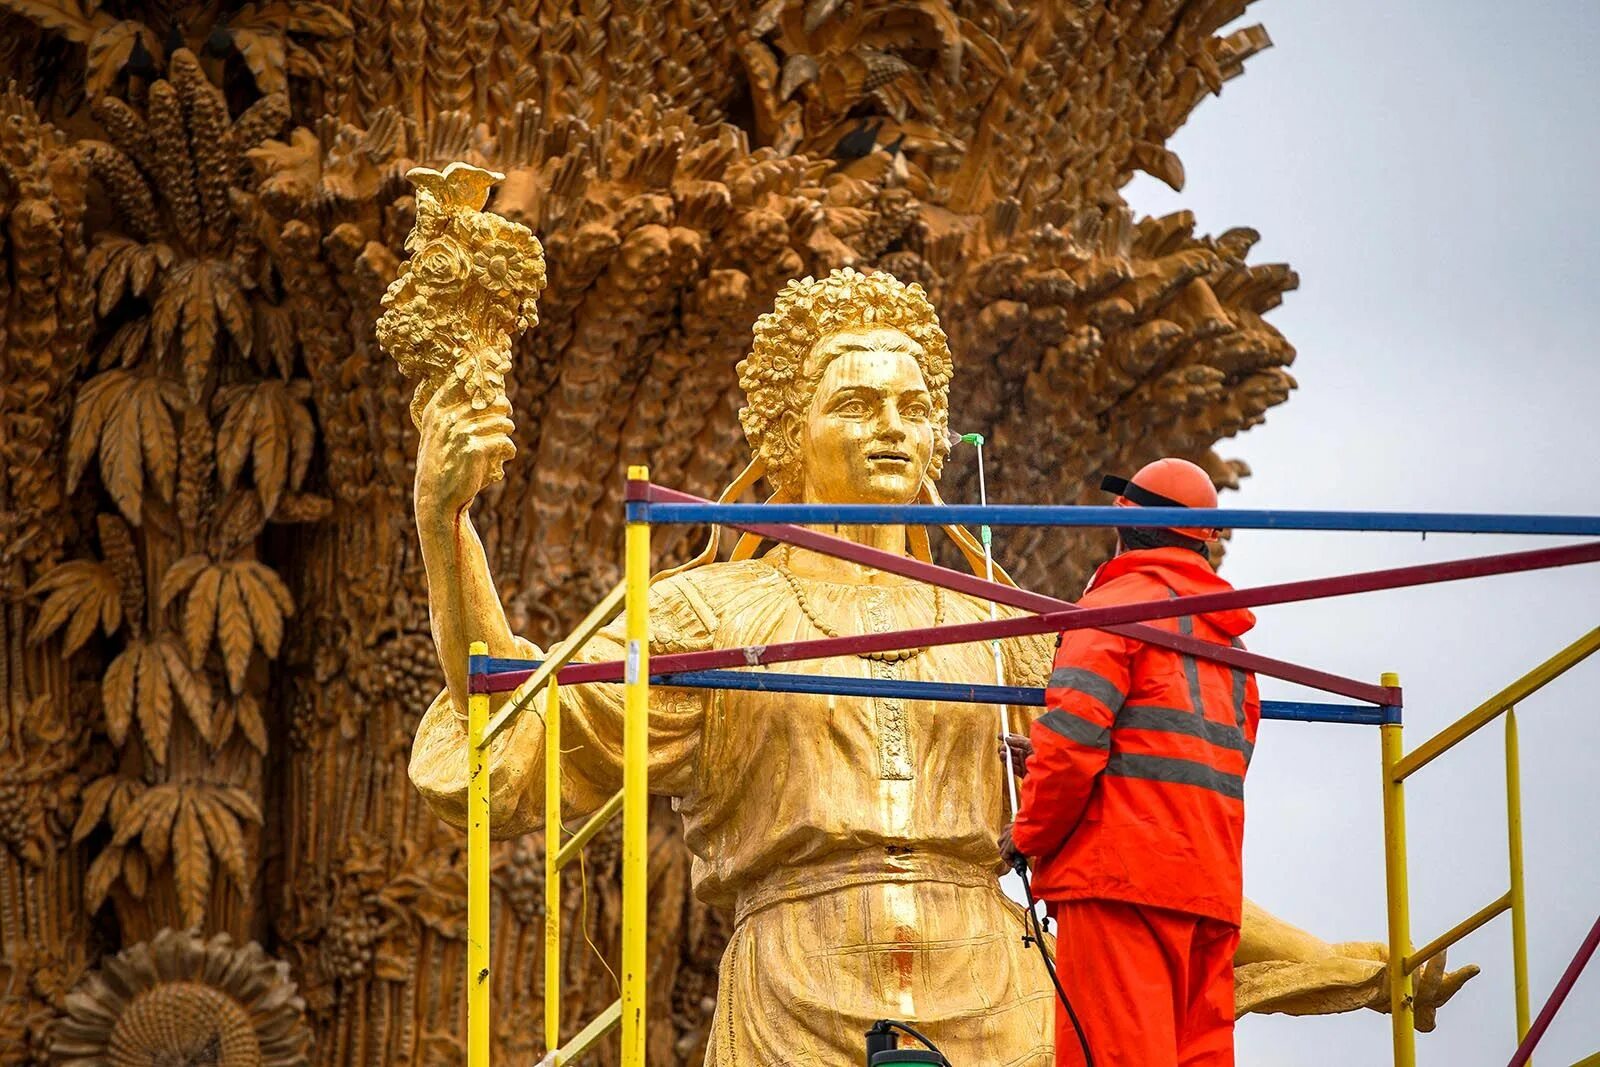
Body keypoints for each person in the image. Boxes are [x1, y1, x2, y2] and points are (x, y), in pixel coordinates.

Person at [1002, 458, 1257, 1067]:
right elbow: (1183, 751)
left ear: (1123, 518)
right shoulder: (1234, 649)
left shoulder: (1113, 611)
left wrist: (1029, 832)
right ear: (1203, 541)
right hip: (1209, 890)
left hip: (1119, 881)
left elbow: (1069, 744)